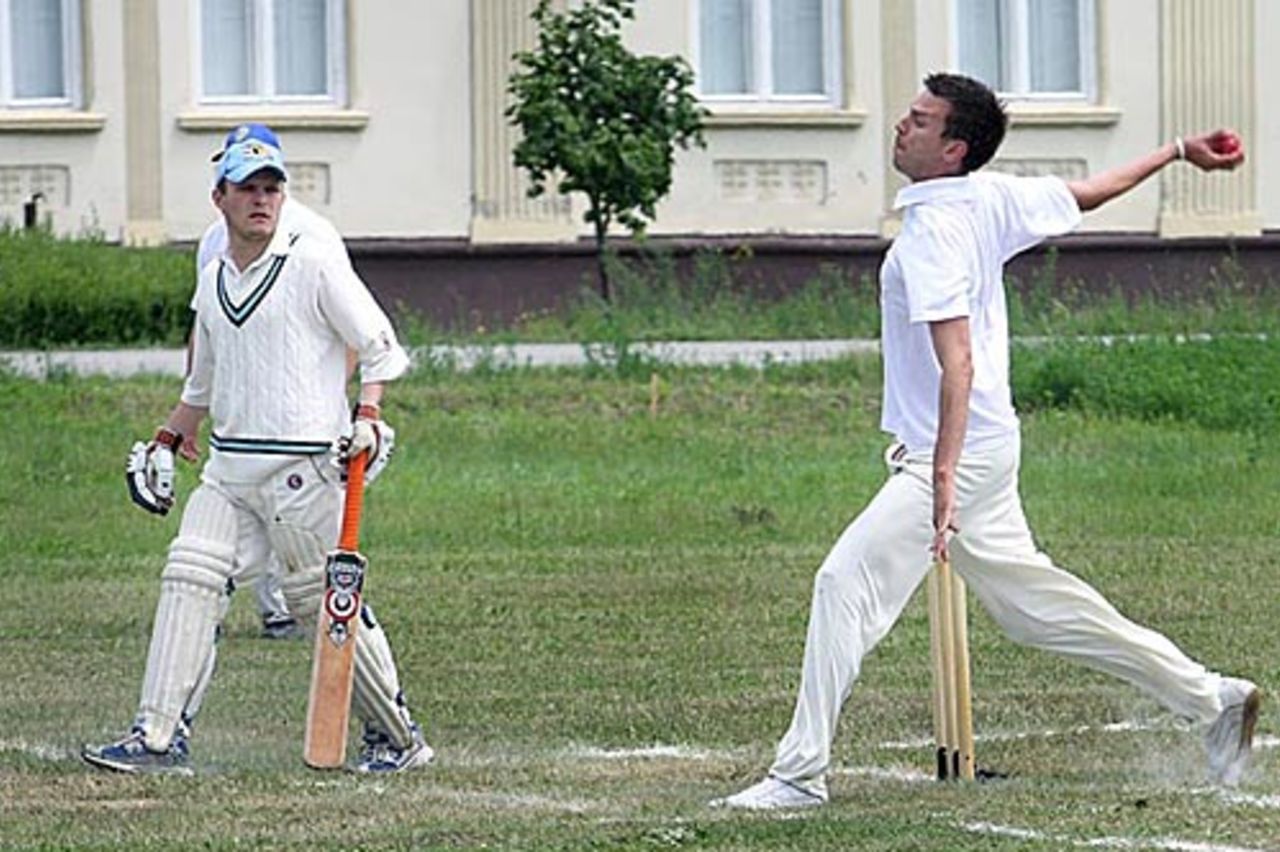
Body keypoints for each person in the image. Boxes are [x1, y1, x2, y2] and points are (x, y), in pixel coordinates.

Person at [714, 73, 1259, 810]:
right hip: (989, 444)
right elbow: (1087, 193)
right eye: (907, 113)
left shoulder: (937, 231)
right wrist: (1174, 151)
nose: (901, 127)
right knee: (1033, 609)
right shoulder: (989, 195)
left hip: (958, 453)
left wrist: (940, 478)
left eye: (920, 120)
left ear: (954, 148)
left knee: (843, 584)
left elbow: (957, 361)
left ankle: (798, 775)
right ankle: (1213, 697)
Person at [85, 130, 432, 774]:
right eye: (248, 188)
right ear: (220, 197)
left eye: (272, 188)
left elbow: (381, 346)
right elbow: (203, 383)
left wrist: (369, 416)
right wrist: (168, 434)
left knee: (314, 600)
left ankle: (395, 735)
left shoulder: (314, 261)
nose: (262, 199)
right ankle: (158, 737)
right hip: (229, 469)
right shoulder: (215, 275)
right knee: (189, 578)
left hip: (302, 471)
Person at [197, 122, 354, 642]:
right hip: (243, 421)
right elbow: (207, 325)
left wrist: (333, 406)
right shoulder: (214, 239)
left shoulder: (315, 236)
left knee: (307, 544)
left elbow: (350, 330)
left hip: (308, 424)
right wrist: (193, 407)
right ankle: (261, 609)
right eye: (239, 176)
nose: (256, 196)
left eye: (267, 183)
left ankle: (323, 621)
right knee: (233, 524)